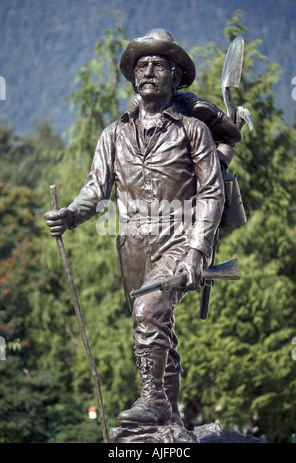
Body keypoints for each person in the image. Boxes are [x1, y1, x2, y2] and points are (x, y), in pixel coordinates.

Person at [45, 29, 232, 428]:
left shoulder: (191, 131)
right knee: (155, 327)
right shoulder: (114, 134)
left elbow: (212, 194)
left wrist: (198, 252)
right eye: (141, 66)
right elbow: (95, 190)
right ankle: (171, 420)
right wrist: (71, 215)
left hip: (179, 239)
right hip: (131, 244)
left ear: (175, 77)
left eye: (158, 65)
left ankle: (152, 401)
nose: (148, 71)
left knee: (149, 311)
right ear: (133, 78)